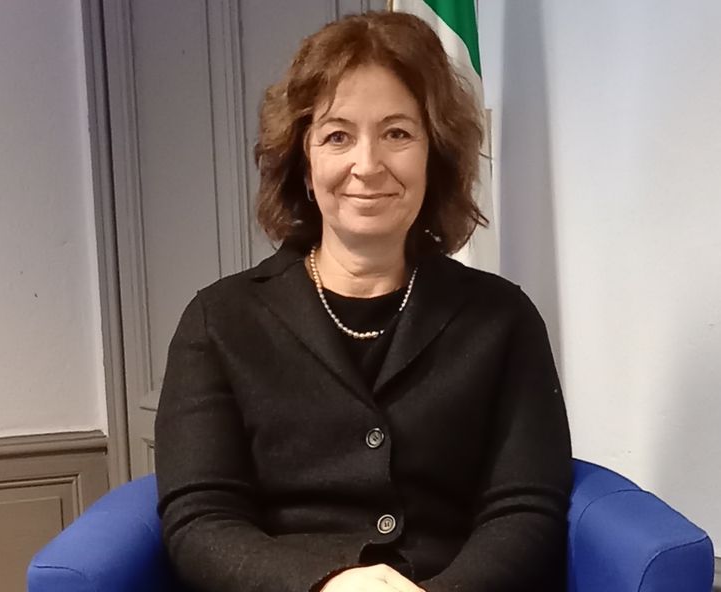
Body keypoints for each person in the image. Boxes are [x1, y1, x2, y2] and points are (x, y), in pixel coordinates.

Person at [154, 11, 572, 592]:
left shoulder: (503, 319)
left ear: (434, 156)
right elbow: (200, 522)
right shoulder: (218, 322)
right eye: (338, 136)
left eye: (397, 133)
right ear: (304, 165)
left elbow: (525, 508)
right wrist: (325, 583)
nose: (368, 165)